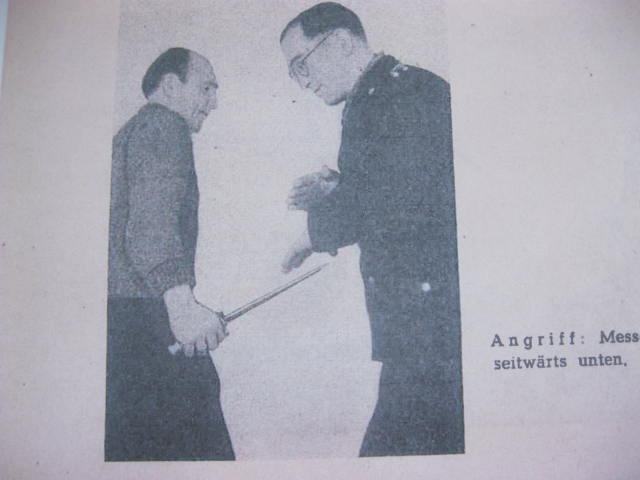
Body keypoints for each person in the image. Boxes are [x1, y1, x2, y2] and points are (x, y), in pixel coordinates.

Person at [280, 3, 464, 456]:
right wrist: (337, 186)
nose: (303, 82)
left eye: (302, 64)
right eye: (294, 72)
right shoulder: (388, 91)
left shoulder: (393, 95)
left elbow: (396, 201)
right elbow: (398, 185)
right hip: (422, 324)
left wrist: (311, 235)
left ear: (342, 42)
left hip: (428, 327)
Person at [105, 47, 235, 461]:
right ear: (170, 86)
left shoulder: (131, 133)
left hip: (122, 326)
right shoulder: (164, 126)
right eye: (206, 88)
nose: (213, 101)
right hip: (148, 321)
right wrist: (181, 306)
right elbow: (150, 226)